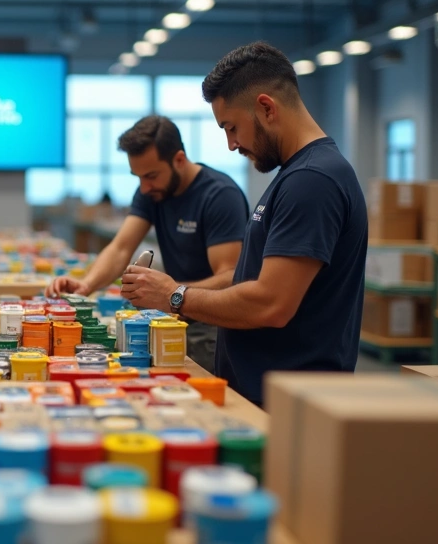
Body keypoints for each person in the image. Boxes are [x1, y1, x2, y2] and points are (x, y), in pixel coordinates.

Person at [119, 41, 367, 406]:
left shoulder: (312, 181)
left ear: (266, 107)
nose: (231, 144)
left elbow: (271, 303)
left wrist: (175, 295)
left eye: (231, 127)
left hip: (287, 404)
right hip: (266, 396)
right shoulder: (297, 176)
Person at [46, 116, 248, 373]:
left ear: (179, 159)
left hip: (212, 325)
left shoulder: (220, 196)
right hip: (172, 316)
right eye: (138, 177)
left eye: (151, 175)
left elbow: (231, 277)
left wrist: (172, 294)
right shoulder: (152, 191)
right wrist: (86, 285)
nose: (143, 187)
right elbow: (120, 248)